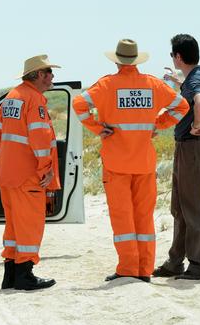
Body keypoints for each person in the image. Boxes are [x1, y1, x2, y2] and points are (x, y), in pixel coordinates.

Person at [72, 39, 189, 282]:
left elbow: (79, 104)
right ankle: (144, 269)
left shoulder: (107, 85)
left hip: (116, 164)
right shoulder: (153, 85)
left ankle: (128, 268)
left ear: (116, 61)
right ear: (136, 60)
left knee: (122, 216)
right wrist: (158, 124)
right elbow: (182, 106)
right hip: (144, 163)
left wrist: (97, 127)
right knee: (143, 217)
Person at [0, 54, 61, 290]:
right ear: (39, 75)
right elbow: (40, 139)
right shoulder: (34, 99)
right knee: (30, 225)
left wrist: (7, 158)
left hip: (8, 173)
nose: (53, 77)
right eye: (50, 72)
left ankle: (10, 275)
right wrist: (46, 170)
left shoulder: (12, 97)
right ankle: (24, 275)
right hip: (28, 175)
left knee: (13, 227)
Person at [153, 34, 200, 280]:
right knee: (180, 206)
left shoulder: (195, 80)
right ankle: (176, 261)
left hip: (193, 146)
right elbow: (193, 95)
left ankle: (198, 265)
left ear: (178, 57)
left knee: (193, 207)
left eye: (172, 55)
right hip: (189, 147)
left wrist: (197, 124)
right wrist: (177, 82)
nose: (172, 58)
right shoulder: (198, 77)